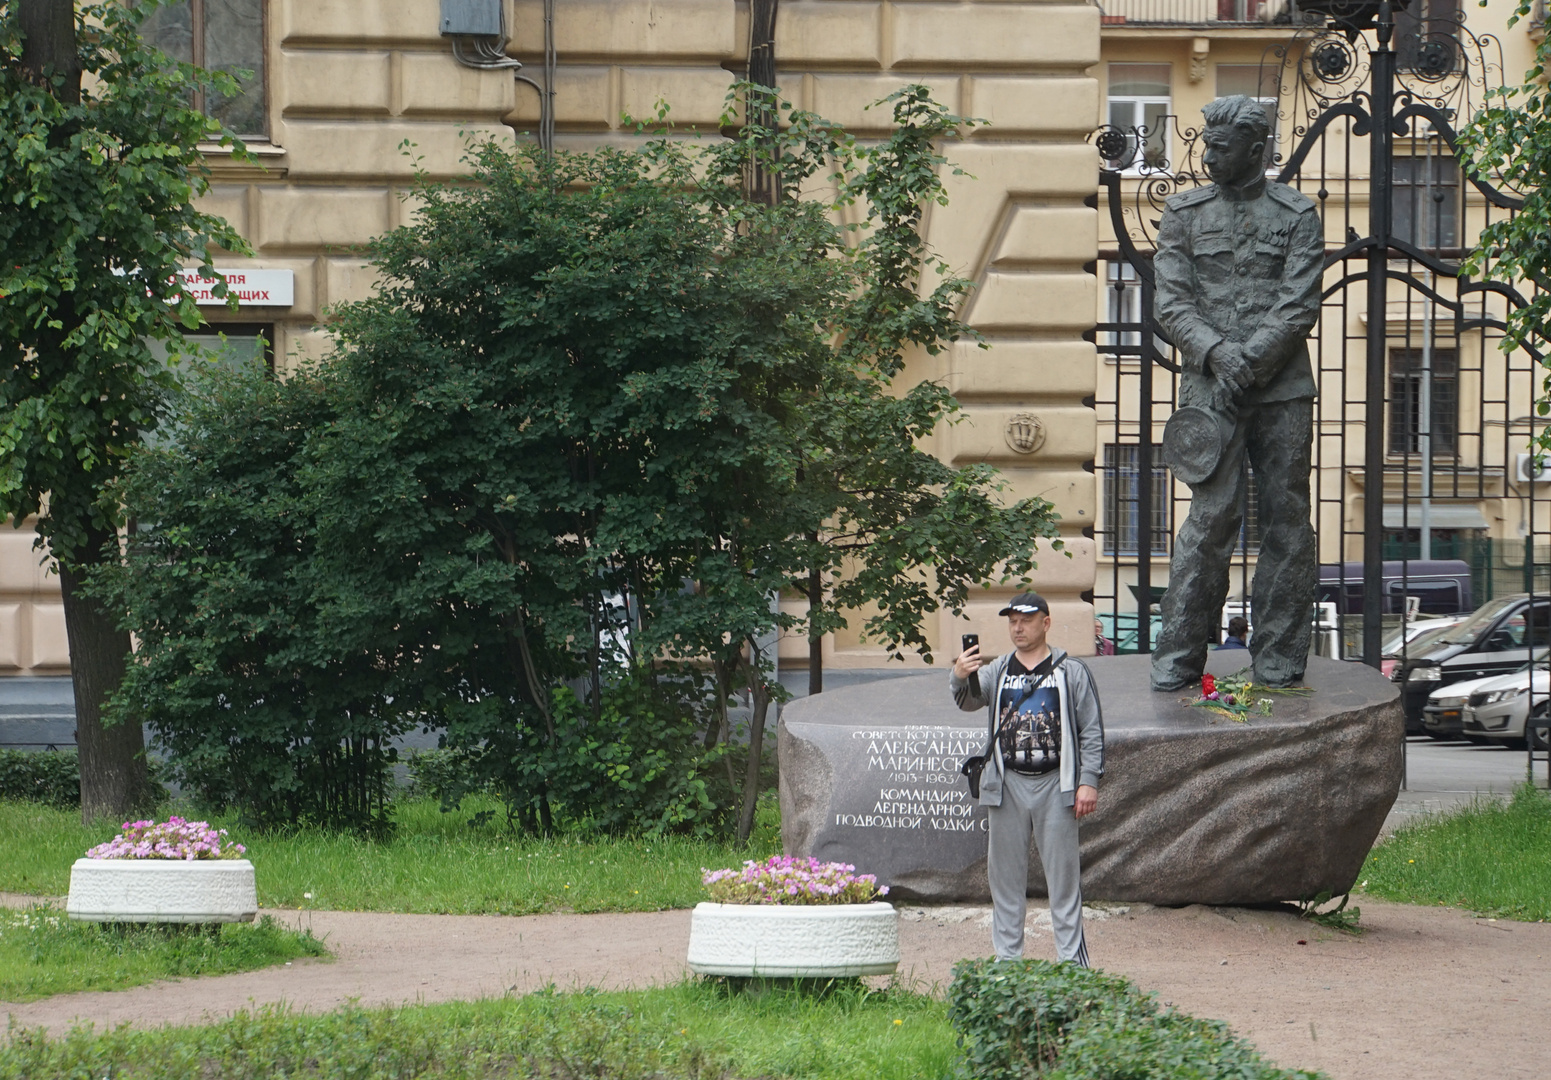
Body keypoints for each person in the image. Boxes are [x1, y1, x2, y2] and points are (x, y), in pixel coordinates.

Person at [1149, 94, 1324, 692]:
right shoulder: (1184, 212)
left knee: (1287, 519)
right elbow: (1170, 301)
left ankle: (1277, 658)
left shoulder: (1298, 214)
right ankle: (1178, 653)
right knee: (1211, 517)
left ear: (1256, 151)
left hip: (1281, 391)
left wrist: (1248, 361)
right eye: (1206, 145)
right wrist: (1220, 355)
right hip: (1209, 386)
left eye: (1221, 148)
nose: (1208, 157)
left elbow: (1299, 303)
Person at [950, 593, 1104, 965]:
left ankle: (1073, 966)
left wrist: (1089, 780)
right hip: (1007, 787)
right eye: (1012, 621)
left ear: (1046, 623)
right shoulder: (999, 670)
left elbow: (1091, 730)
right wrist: (959, 676)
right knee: (1004, 881)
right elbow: (969, 701)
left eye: (1026, 620)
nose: (1018, 627)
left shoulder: (1071, 670)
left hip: (1056, 784)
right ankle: (1007, 964)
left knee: (1064, 881)